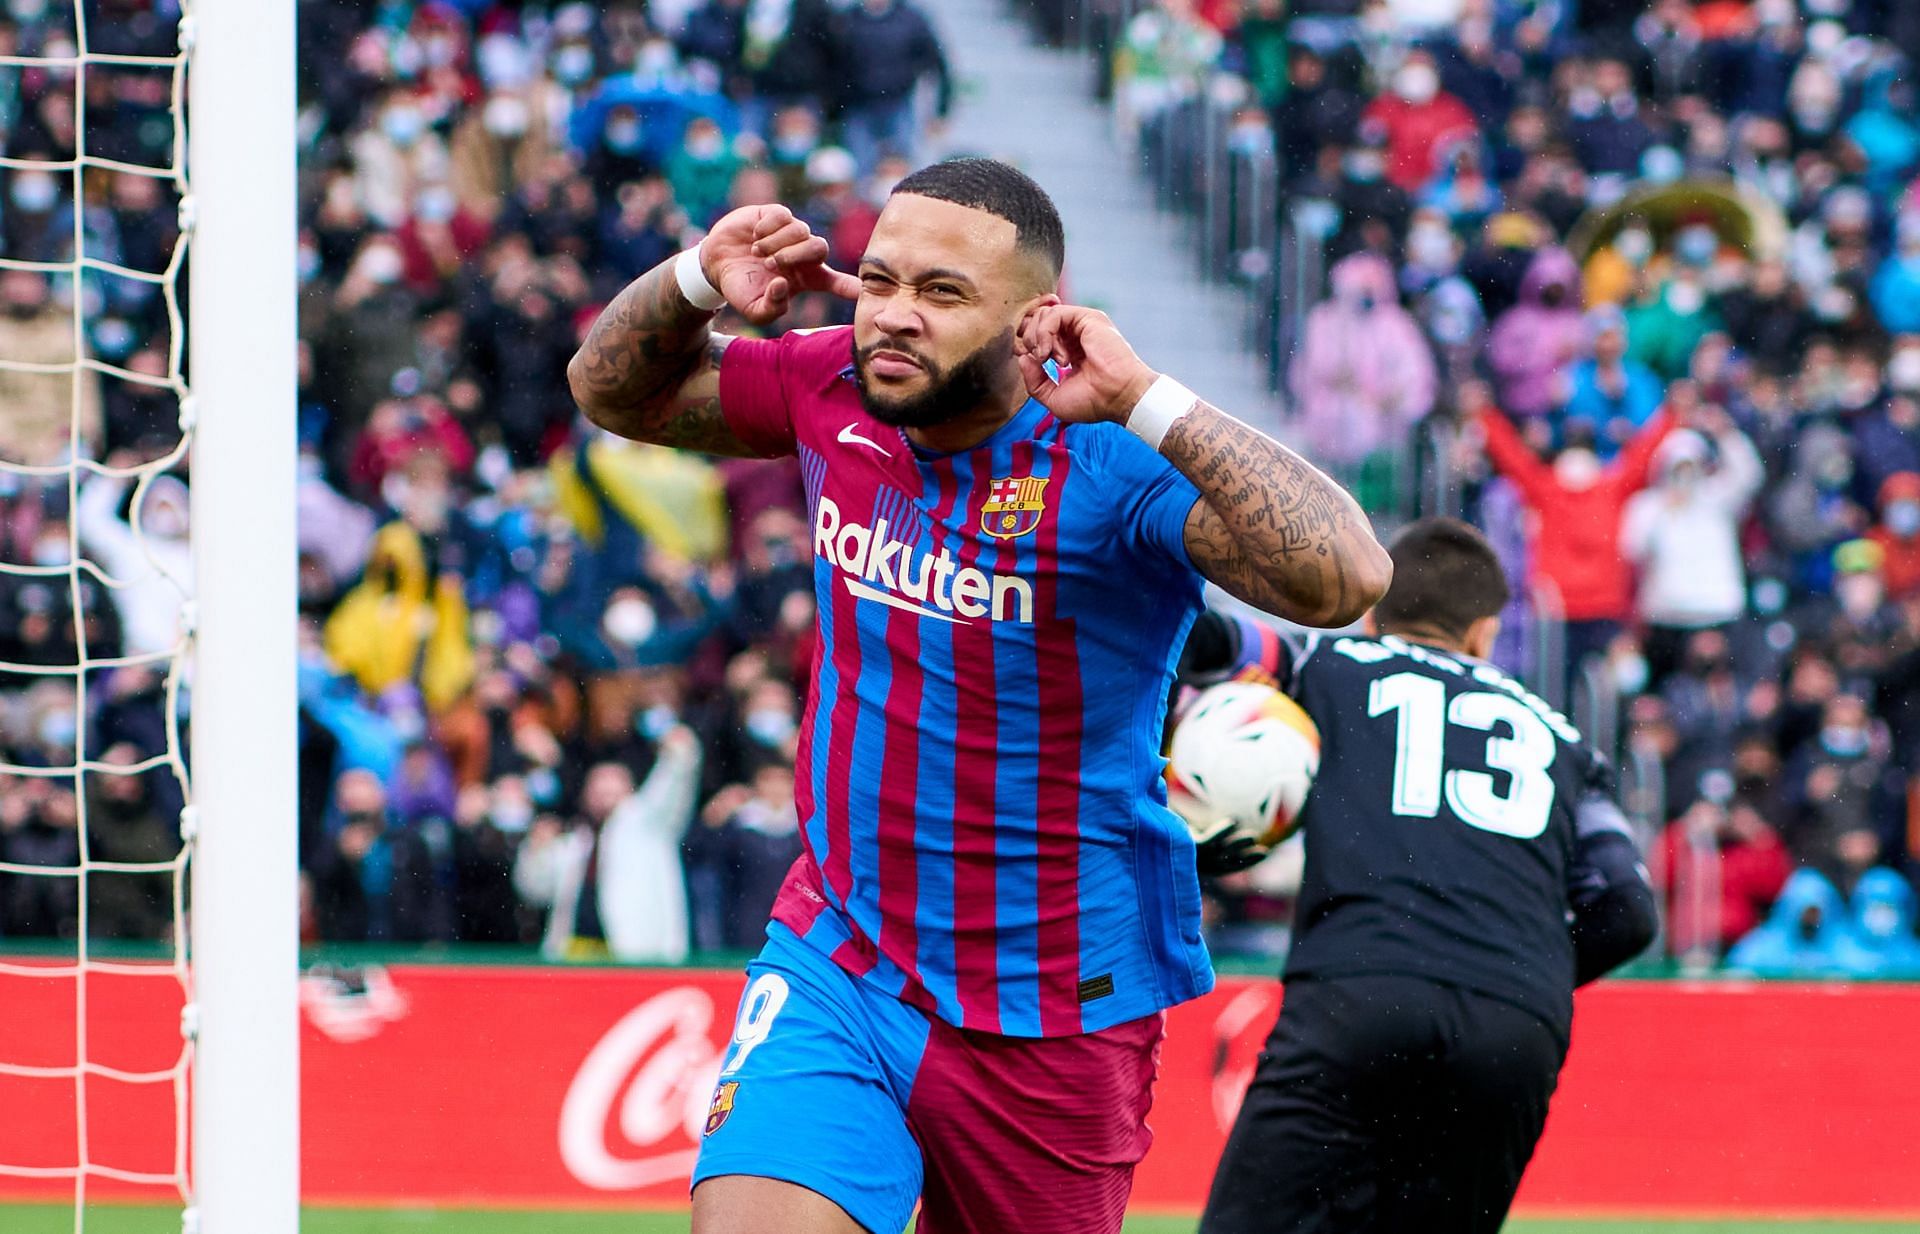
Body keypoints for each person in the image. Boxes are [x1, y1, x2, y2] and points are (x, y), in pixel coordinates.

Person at [566, 157, 1391, 1234]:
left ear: (1034, 321)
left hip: (1056, 1011)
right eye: (880, 281)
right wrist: (691, 281)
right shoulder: (831, 388)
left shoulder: (1109, 459)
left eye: (942, 293)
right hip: (842, 955)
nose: (896, 317)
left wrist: (1149, 398)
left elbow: (1349, 575)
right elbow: (611, 390)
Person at [1189, 518, 1657, 1234]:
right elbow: (1629, 910)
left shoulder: (1332, 662)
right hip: (1514, 1026)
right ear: (1486, 634)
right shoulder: (1566, 741)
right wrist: (1510, 969)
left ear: (1374, 610)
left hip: (1363, 989)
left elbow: (1209, 640)